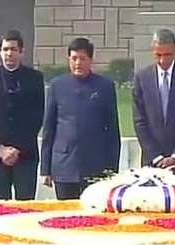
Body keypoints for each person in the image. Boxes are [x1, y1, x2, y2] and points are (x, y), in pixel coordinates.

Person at [41, 38, 120, 200]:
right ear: (69, 60)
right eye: (74, 58)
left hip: (95, 166)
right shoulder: (57, 86)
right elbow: (49, 129)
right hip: (64, 166)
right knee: (66, 217)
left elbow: (112, 130)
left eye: (82, 59)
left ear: (91, 60)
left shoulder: (104, 86)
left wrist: (112, 170)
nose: (78, 63)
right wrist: (45, 170)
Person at [0, 30, 44, 200]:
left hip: (25, 155)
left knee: (26, 207)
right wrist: (0, 148)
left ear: (21, 52)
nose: (9, 53)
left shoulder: (35, 78)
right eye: (6, 49)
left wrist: (17, 148)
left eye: (14, 49)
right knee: (0, 208)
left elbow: (37, 116)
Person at [133, 29, 175, 172]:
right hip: (152, 162)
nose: (163, 60)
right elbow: (140, 121)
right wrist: (156, 157)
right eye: (158, 55)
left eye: (168, 55)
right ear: (152, 49)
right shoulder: (142, 78)